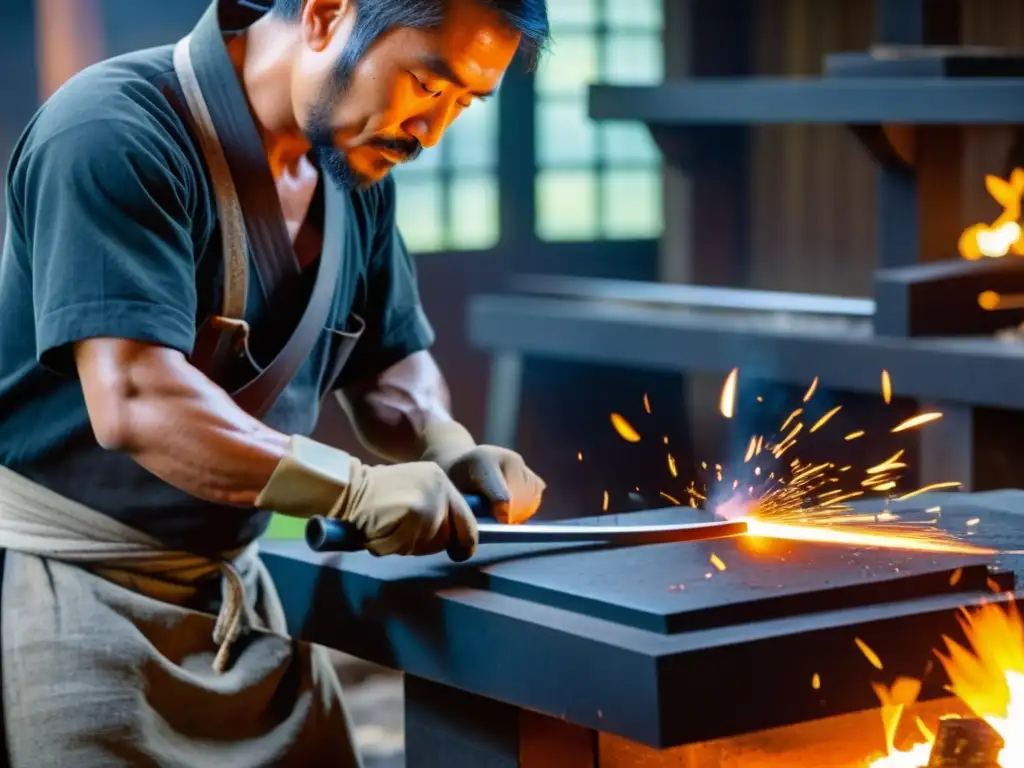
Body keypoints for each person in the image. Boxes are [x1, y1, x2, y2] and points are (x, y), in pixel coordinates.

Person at [0, 0, 548, 764]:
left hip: (244, 600)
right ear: (326, 15)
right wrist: (352, 491)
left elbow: (389, 364)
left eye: (464, 103)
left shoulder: (351, 169)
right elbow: (135, 400)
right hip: (75, 590)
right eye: (428, 84)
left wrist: (445, 444)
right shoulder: (111, 131)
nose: (432, 132)